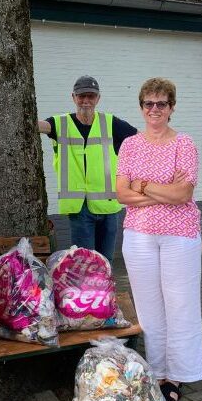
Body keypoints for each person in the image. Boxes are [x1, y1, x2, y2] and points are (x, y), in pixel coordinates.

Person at [115, 77, 202, 401]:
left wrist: (143, 185)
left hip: (179, 237)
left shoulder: (184, 144)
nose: (155, 109)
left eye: (161, 104)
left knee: (179, 305)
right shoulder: (130, 145)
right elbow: (121, 194)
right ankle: (157, 371)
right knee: (150, 309)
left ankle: (177, 375)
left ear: (172, 107)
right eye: (149, 104)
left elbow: (184, 194)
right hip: (139, 237)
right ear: (141, 108)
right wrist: (160, 192)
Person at [38, 76, 137, 262]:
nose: (86, 101)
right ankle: (86, 291)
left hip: (108, 207)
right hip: (79, 208)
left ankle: (103, 291)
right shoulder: (60, 123)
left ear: (98, 98)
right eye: (81, 96)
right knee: (84, 263)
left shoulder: (111, 123)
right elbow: (39, 126)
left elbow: (141, 140)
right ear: (73, 97)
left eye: (91, 96)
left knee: (105, 262)